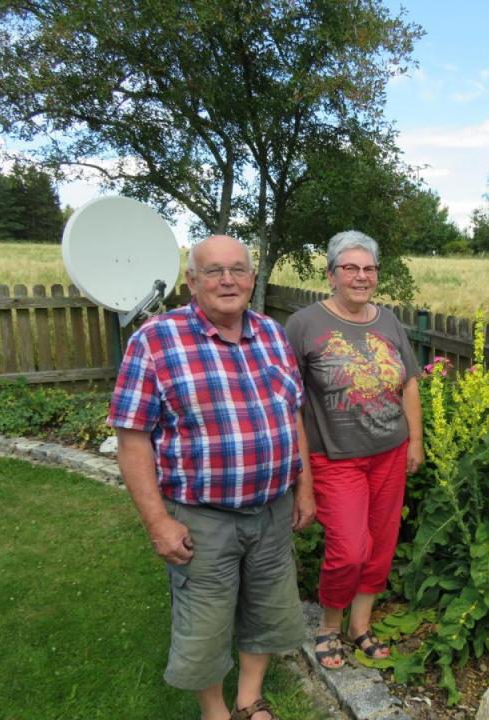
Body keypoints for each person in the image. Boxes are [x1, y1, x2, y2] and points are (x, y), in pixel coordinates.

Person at [108, 234, 316, 720]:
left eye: (238, 270)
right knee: (205, 622)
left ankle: (249, 698)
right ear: (191, 281)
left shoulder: (271, 333)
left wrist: (304, 488)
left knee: (267, 609)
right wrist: (158, 523)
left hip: (272, 510)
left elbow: (293, 415)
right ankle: (214, 710)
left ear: (252, 278)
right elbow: (132, 440)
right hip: (201, 517)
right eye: (213, 271)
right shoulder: (156, 340)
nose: (227, 280)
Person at [284, 230, 423, 669]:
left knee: (380, 545)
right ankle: (329, 626)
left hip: (389, 453)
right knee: (349, 549)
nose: (361, 277)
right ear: (331, 275)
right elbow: (290, 402)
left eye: (369, 269)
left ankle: (359, 626)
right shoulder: (304, 325)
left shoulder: (388, 321)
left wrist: (416, 440)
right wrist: (301, 476)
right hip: (335, 457)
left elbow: (409, 382)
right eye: (350, 268)